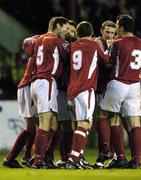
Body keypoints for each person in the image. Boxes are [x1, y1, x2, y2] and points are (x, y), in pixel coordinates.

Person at [65, 21, 109, 169]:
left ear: (77, 33)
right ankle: (73, 159)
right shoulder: (94, 45)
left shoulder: (73, 46)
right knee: (85, 123)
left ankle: (79, 158)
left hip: (72, 90)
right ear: (91, 33)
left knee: (81, 124)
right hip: (86, 89)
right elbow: (107, 61)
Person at [99, 15, 141, 169]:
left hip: (119, 83)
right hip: (135, 85)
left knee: (107, 116)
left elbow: (109, 63)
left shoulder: (117, 43)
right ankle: (137, 161)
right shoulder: (140, 43)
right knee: (135, 122)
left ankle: (119, 157)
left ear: (122, 27)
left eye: (117, 25)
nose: (116, 28)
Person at [30, 16, 70, 169]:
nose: (66, 32)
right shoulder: (56, 41)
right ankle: (38, 161)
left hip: (37, 82)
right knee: (45, 121)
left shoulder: (39, 39)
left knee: (52, 122)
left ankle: (44, 156)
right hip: (46, 82)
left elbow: (28, 48)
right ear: (57, 26)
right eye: (65, 28)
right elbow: (72, 53)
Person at [3, 39, 39, 168]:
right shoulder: (35, 58)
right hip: (27, 89)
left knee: (33, 127)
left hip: (27, 89)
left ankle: (23, 156)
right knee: (35, 126)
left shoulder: (33, 57)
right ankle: (14, 158)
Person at [93, 20, 117, 169]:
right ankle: (107, 153)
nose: (109, 35)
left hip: (112, 86)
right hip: (100, 86)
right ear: (101, 30)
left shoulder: (115, 43)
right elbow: (107, 63)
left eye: (112, 33)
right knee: (105, 121)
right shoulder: (98, 42)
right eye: (107, 32)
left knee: (111, 120)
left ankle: (109, 153)